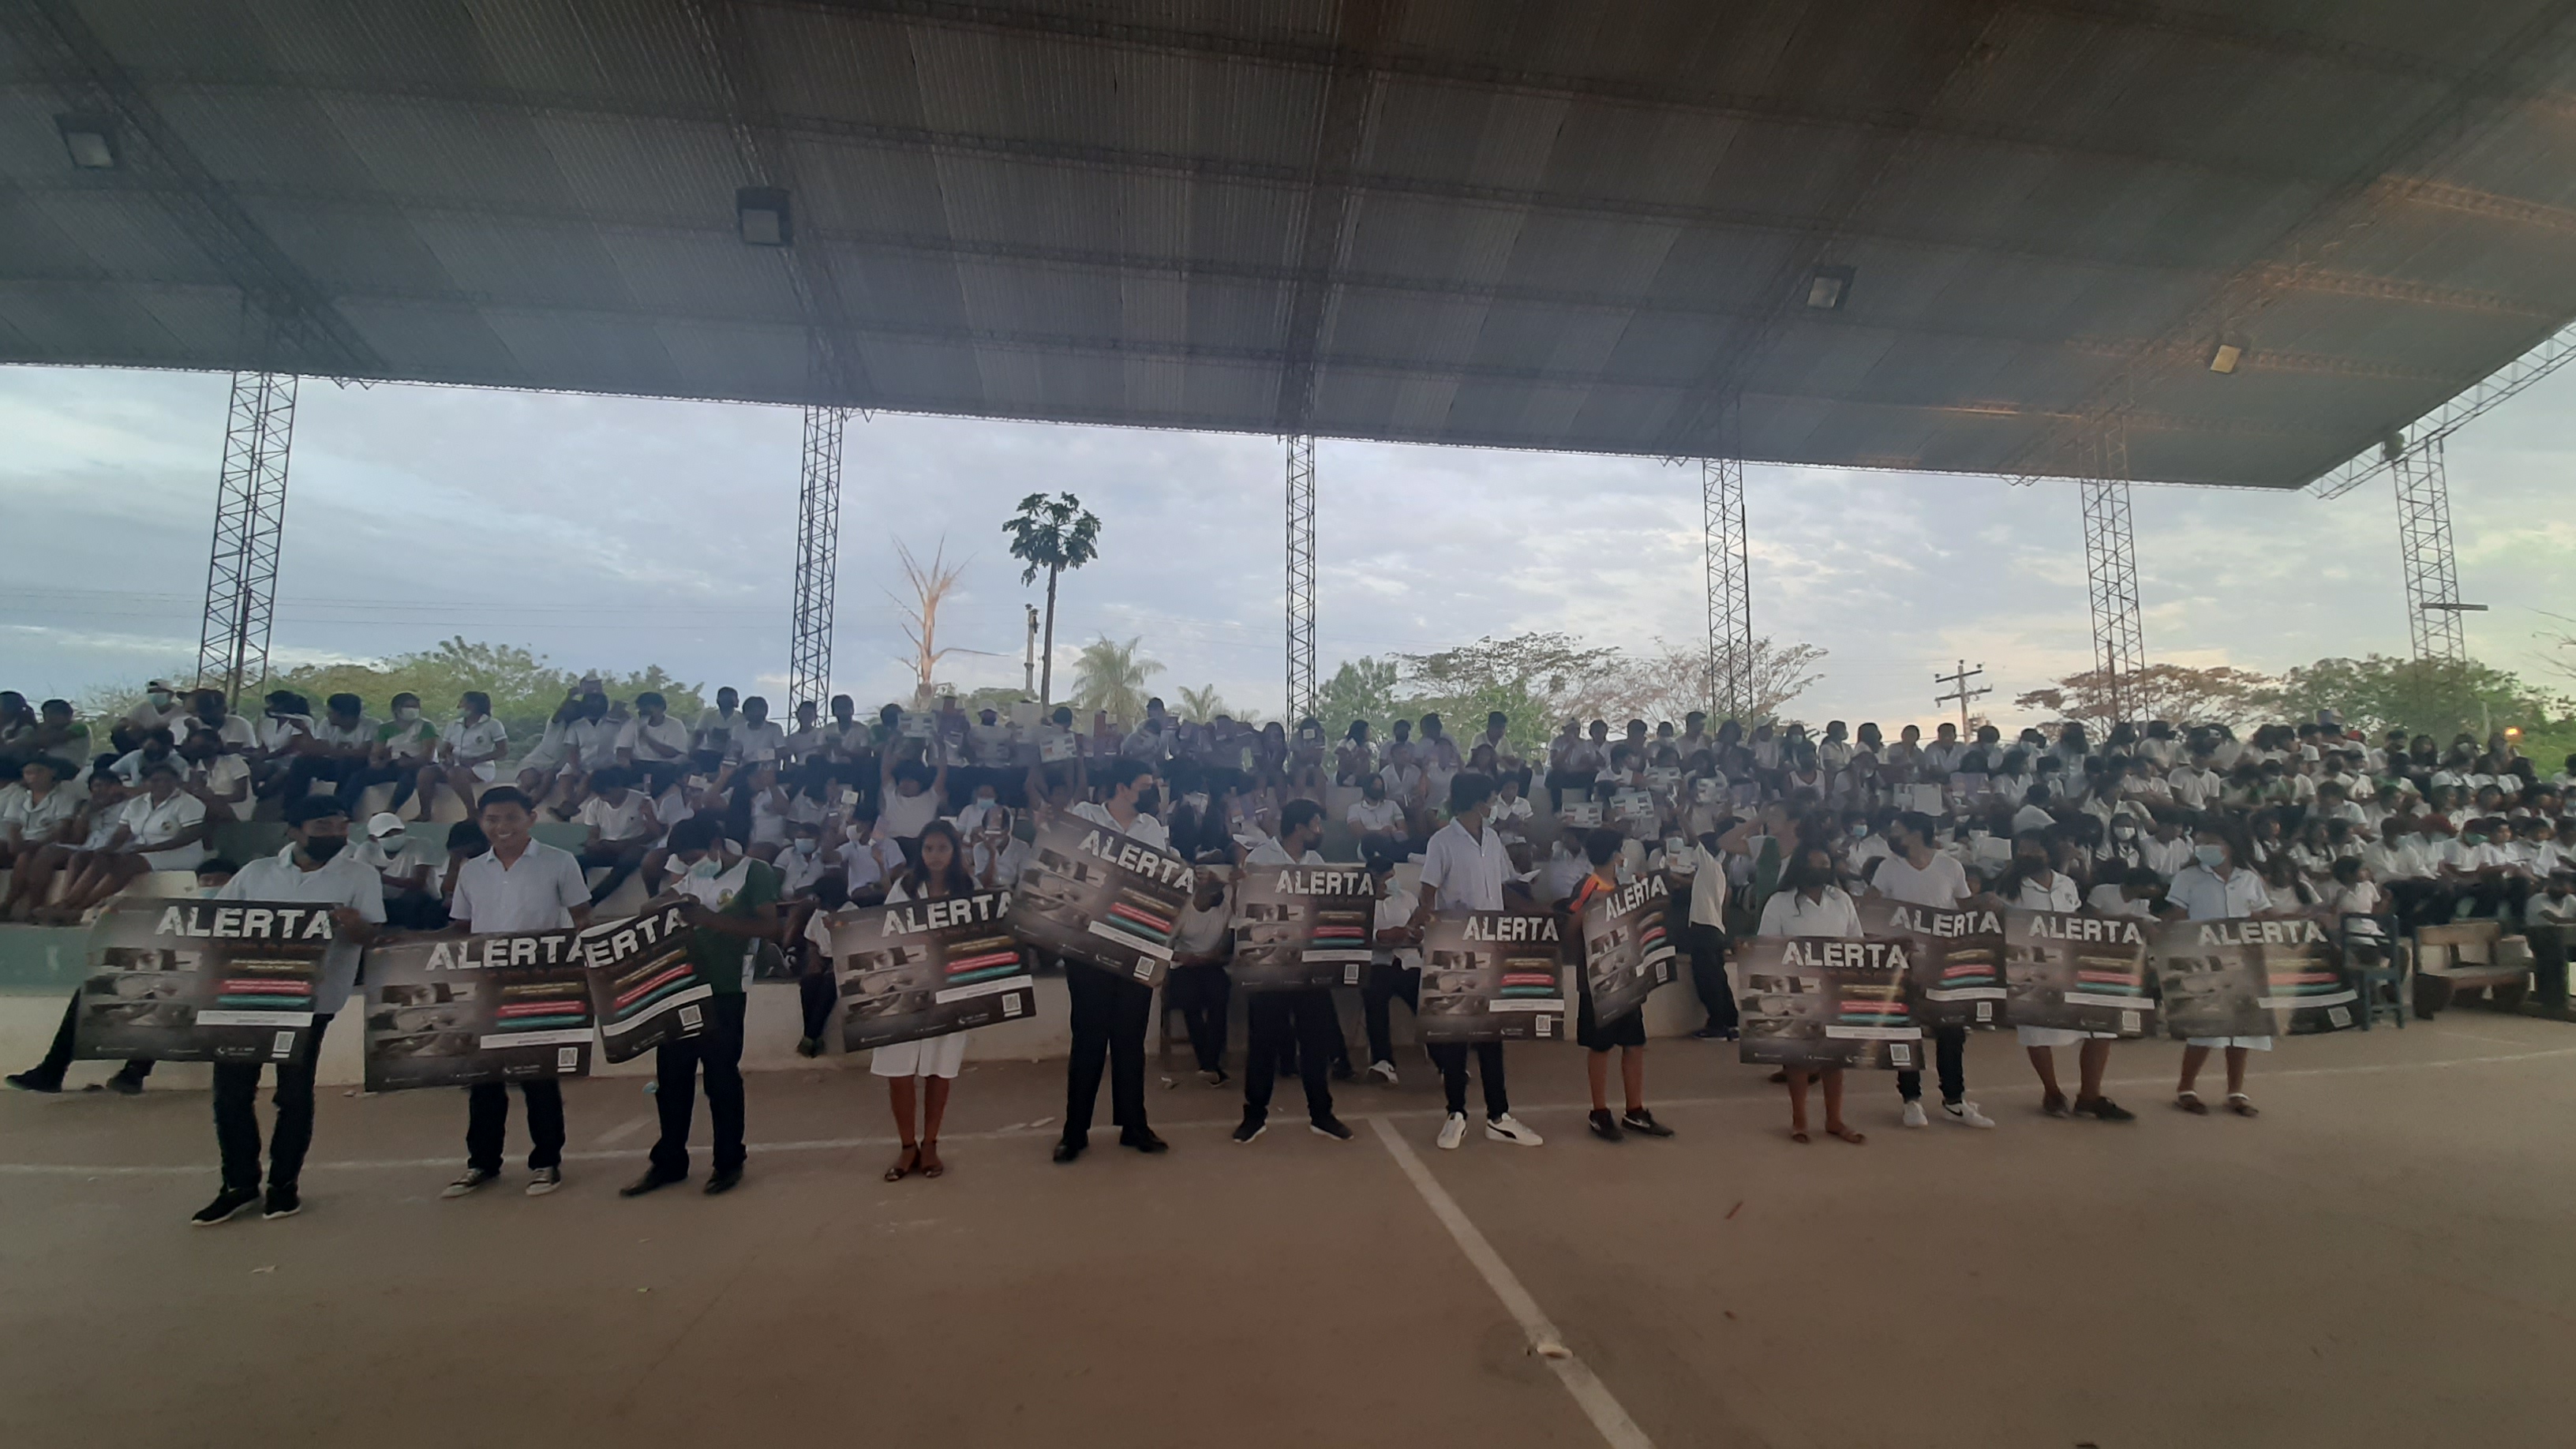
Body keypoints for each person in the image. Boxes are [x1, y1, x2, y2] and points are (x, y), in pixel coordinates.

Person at [189, 796, 383, 1226]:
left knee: (293, 1094)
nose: (334, 833)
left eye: (340, 825)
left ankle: (284, 1186)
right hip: (244, 1000)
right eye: (322, 825)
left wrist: (356, 926)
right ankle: (238, 1184)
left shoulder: (359, 874)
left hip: (313, 1004)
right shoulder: (256, 873)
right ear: (294, 830)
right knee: (231, 1093)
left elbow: (372, 937)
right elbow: (214, 924)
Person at [443, 787, 591, 1198]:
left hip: (542, 984)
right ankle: (482, 1164)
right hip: (487, 986)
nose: (501, 827)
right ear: (481, 822)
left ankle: (546, 1162)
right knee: (484, 1080)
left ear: (531, 817)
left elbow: (582, 920)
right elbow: (461, 929)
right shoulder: (472, 871)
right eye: (492, 819)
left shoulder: (560, 863)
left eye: (510, 818)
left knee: (539, 1077)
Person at [624, 814, 773, 1197]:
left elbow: (770, 928)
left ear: (715, 845)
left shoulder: (754, 872)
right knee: (672, 1078)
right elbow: (649, 910)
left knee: (721, 1078)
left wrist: (709, 919)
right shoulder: (692, 877)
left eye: (692, 857)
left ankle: (728, 1161)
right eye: (683, 861)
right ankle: (669, 1160)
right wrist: (667, 902)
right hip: (679, 985)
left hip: (725, 986)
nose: (687, 866)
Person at [1409, 772, 1544, 1150]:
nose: (1494, 804)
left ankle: (1499, 1116)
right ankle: (1456, 1113)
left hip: (1494, 944)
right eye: (1490, 798)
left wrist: (1536, 911)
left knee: (1491, 1034)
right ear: (1476, 801)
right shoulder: (1442, 841)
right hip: (1455, 948)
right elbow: (1427, 894)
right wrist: (1432, 935)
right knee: (1454, 1033)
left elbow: (1503, 887)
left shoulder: (1494, 838)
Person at [841, 818, 979, 1181]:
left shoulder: (970, 887)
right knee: (898, 1072)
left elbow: (981, 936)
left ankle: (931, 1143)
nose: (935, 856)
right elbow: (882, 932)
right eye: (929, 848)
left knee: (940, 1070)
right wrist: (845, 932)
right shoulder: (905, 886)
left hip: (951, 989)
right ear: (921, 852)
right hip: (902, 988)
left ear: (955, 851)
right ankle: (907, 1146)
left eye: (943, 848)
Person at [1055, 757, 1170, 1163]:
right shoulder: (1083, 817)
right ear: (1122, 787)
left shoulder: (1153, 829)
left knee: (1130, 1039)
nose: (1151, 791)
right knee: (1088, 1038)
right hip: (1086, 945)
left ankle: (1133, 1125)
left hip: (1135, 943)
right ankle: (1075, 1131)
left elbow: (1160, 885)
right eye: (1144, 784)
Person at [1862, 811, 1996, 1129]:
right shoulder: (1888, 867)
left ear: (1916, 834)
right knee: (1906, 1030)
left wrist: (1987, 903)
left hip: (1943, 961)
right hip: (1903, 962)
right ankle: (1911, 1099)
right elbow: (1871, 906)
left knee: (1952, 1031)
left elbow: (1965, 908)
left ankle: (1954, 1099)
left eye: (1898, 830)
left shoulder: (1950, 866)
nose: (1893, 836)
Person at [1233, 799, 1353, 1144]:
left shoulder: (1317, 863)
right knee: (1263, 1044)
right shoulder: (1261, 859)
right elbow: (1247, 910)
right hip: (1268, 966)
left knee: (1315, 1042)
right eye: (1316, 824)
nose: (1320, 830)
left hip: (1309, 967)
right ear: (1299, 828)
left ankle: (1322, 1114)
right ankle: (1255, 1116)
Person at [1756, 844, 1866, 1145]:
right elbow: (1765, 945)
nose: (1820, 866)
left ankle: (1834, 1119)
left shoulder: (1841, 899)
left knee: (1835, 1058)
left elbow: (1857, 941)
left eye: (1825, 862)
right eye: (1814, 861)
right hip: (1795, 989)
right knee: (1798, 1059)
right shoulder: (1779, 902)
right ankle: (1799, 1120)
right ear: (1799, 866)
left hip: (1836, 986)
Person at [1567, 828, 1672, 1142]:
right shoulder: (1587, 887)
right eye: (1620, 849)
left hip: (1627, 975)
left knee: (1634, 1043)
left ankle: (1635, 1110)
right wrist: (1590, 908)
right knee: (1600, 1048)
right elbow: (1569, 929)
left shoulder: (1625, 886)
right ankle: (1599, 1112)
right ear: (1615, 854)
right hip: (1598, 980)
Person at [2168, 825, 2273, 1118]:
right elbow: (2178, 915)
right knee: (2204, 1027)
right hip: (2203, 960)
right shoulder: (2188, 877)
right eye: (2199, 843)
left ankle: (2235, 1092)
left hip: (2242, 959)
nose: (2203, 849)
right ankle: (2186, 1089)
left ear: (2229, 846)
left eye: (2211, 843)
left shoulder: (2248, 878)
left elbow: (2262, 915)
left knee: (2242, 1030)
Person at [427, 692, 508, 822]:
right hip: (454, 765)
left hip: (480, 767)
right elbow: (445, 749)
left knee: (456, 773)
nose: (459, 706)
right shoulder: (454, 725)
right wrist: (446, 757)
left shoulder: (493, 724)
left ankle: (472, 811)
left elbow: (502, 751)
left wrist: (475, 760)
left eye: (462, 702)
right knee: (426, 773)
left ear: (473, 705)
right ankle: (425, 813)